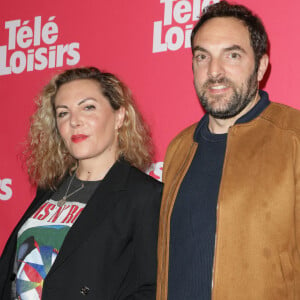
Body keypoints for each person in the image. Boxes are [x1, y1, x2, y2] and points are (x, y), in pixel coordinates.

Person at [156, 1, 300, 299]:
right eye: (202, 57)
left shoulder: (294, 137)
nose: (214, 72)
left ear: (260, 66)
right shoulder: (179, 149)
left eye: (232, 55)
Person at [0, 67, 162, 300]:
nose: (74, 121)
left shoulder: (145, 195)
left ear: (119, 117)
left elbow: (150, 288)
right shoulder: (50, 188)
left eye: (88, 107)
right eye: (63, 113)